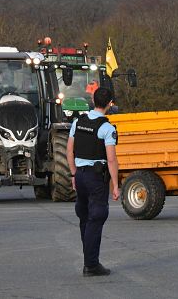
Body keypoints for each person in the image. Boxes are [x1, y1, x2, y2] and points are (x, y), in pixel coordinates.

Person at [65, 87, 120, 277]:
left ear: (93, 100)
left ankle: (89, 260)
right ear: (110, 104)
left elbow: (69, 151)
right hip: (96, 179)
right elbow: (111, 159)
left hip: (80, 175)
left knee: (85, 217)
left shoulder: (78, 122)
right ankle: (91, 264)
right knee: (96, 217)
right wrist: (116, 185)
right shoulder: (107, 128)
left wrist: (73, 175)